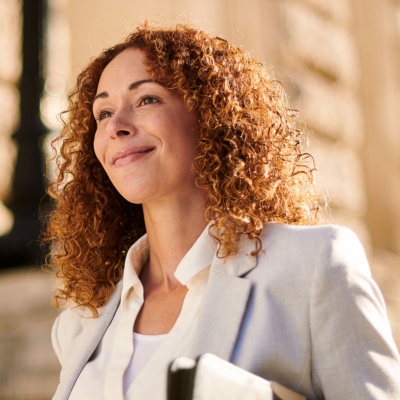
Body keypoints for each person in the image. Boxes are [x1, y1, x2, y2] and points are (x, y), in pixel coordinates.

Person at [45, 23, 400, 400]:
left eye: (147, 99)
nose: (116, 126)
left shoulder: (312, 267)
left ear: (210, 114)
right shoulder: (80, 326)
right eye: (103, 113)